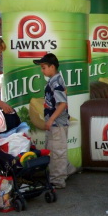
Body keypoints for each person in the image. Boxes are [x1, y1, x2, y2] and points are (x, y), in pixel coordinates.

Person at [33, 53, 70, 189]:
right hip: (55, 123)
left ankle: (58, 180)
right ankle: (58, 175)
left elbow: (62, 104)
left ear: (52, 67)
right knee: (53, 150)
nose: (42, 70)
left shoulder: (56, 82)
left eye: (43, 67)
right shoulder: (53, 80)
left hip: (57, 123)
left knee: (57, 152)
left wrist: (51, 120)